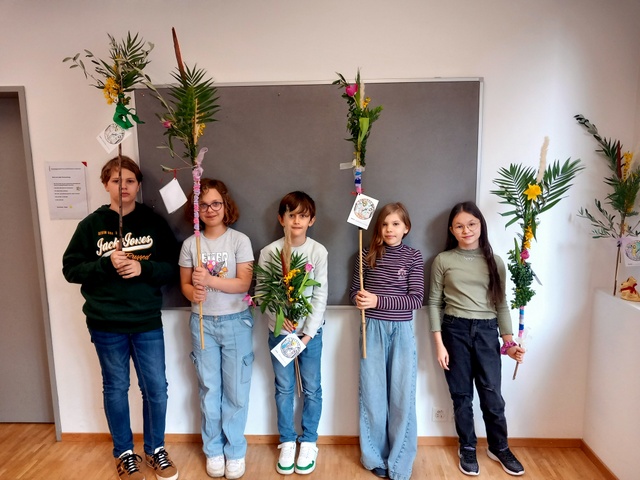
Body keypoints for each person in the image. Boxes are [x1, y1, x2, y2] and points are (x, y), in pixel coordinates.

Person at [62, 156, 179, 480]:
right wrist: (105, 264)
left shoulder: (153, 223)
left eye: (129, 181)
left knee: (156, 389)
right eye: (116, 181)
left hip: (145, 321)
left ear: (138, 185)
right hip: (106, 322)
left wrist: (144, 268)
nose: (123, 187)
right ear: (106, 185)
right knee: (115, 387)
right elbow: (71, 270)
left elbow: (172, 267)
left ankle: (155, 449)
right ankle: (125, 453)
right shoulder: (90, 225)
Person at [428, 201, 526, 477]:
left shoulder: (495, 262)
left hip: (487, 331)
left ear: (481, 225)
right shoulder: (443, 260)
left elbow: (501, 305)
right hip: (454, 330)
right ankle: (468, 447)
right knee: (461, 396)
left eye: (471, 224)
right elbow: (434, 303)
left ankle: (499, 447)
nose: (466, 230)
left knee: (492, 394)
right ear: (451, 230)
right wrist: (439, 345)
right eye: (459, 226)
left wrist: (509, 344)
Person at [179, 179, 254, 480]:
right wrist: (193, 292)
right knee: (209, 389)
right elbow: (185, 286)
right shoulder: (190, 244)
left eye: (215, 204)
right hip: (203, 323)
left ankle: (235, 451)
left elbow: (244, 284)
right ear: (195, 209)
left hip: (236, 322)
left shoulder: (239, 241)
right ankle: (213, 450)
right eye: (203, 205)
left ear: (225, 206)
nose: (210, 210)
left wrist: (209, 281)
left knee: (236, 390)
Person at [350, 202, 424, 480]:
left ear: (406, 228)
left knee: (402, 395)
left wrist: (378, 300)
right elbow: (354, 292)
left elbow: (416, 299)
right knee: (372, 393)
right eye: (384, 224)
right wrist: (359, 299)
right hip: (372, 329)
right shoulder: (365, 254)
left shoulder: (413, 256)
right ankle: (374, 456)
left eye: (395, 224)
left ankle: (400, 461)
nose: (389, 229)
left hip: (402, 330)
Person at [257, 191, 328, 476]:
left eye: (302, 215)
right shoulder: (269, 252)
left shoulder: (318, 252)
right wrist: (278, 319)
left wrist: (308, 334)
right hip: (281, 334)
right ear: (281, 219)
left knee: (312, 388)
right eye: (291, 215)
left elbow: (320, 295)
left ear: (312, 220)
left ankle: (309, 441)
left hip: (311, 335)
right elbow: (262, 292)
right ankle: (287, 440)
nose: (296, 220)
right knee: (284, 388)